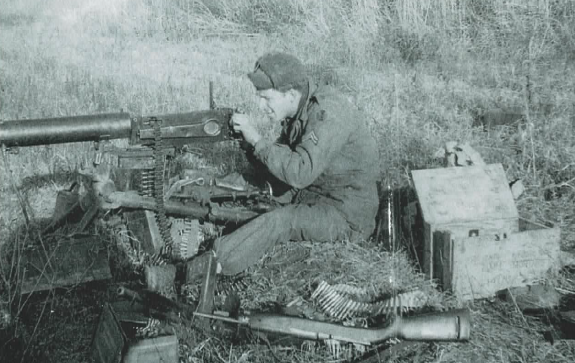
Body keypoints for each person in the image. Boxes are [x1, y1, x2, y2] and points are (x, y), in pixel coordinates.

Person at [187, 52, 380, 280]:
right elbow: (276, 166)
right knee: (244, 182)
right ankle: (189, 195)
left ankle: (204, 267)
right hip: (311, 192)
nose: (261, 106)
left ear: (290, 94)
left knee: (282, 221)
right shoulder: (299, 109)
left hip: (344, 214)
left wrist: (257, 140)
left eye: (267, 98)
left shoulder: (328, 114)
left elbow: (299, 172)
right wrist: (247, 144)